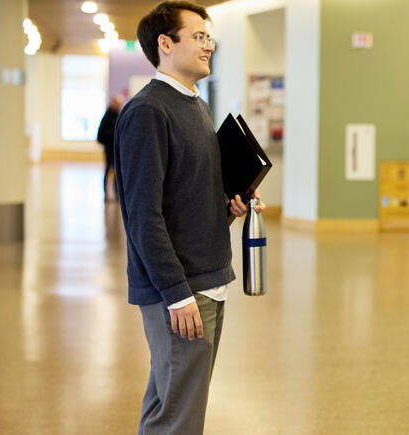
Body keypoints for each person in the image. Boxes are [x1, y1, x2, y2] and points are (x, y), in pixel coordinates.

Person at [113, 2, 264, 433]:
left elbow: (188, 201)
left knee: (171, 402)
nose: (208, 45)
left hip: (206, 280)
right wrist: (176, 294)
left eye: (208, 37)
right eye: (198, 36)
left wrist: (230, 208)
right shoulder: (147, 112)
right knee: (179, 415)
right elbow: (143, 215)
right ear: (165, 43)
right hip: (180, 292)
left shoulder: (194, 106)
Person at [96, 95, 122, 200]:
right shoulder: (107, 116)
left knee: (117, 171)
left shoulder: (118, 115)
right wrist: (112, 136)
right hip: (109, 148)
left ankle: (117, 193)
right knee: (108, 169)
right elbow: (100, 134)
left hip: (116, 148)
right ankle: (106, 193)